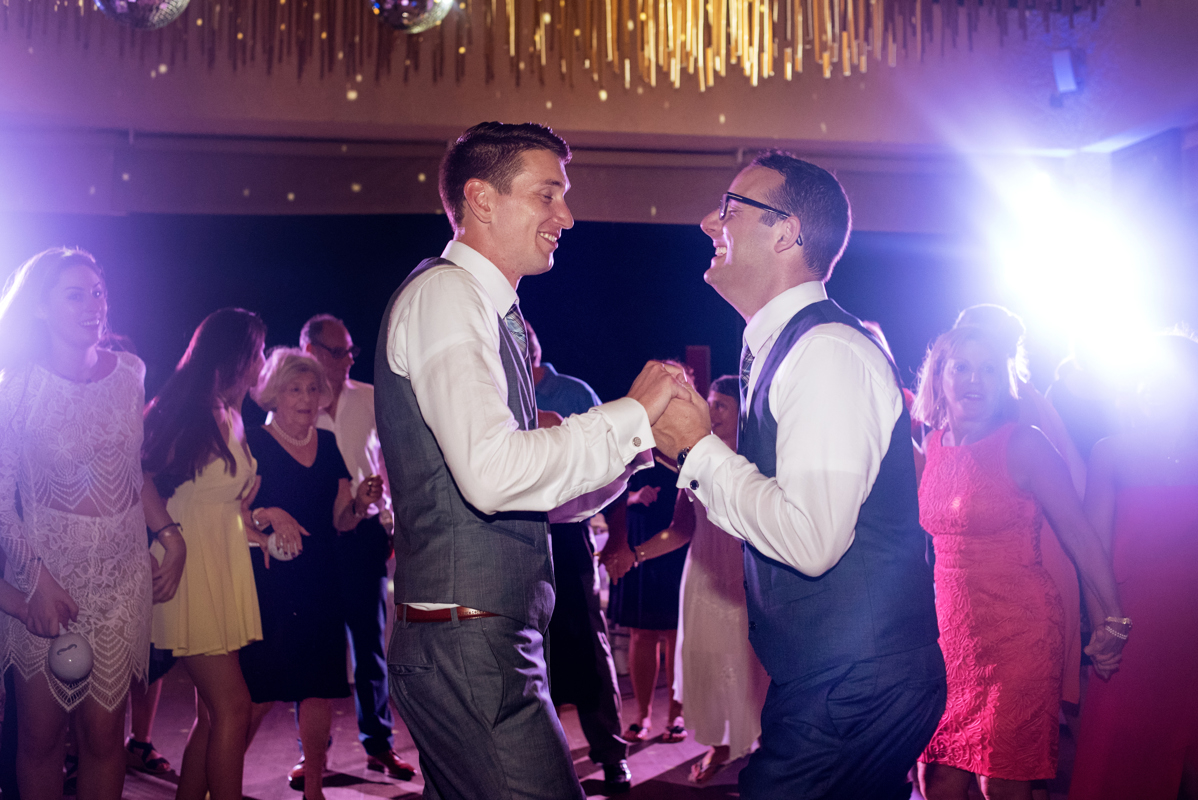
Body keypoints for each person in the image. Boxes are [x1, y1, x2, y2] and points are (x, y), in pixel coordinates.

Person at [374, 120, 688, 800]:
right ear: (482, 199)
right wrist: (629, 413)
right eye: (548, 195)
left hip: (478, 635)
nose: (566, 216)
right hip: (468, 643)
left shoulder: (487, 311)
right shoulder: (448, 297)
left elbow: (537, 496)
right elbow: (493, 476)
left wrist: (637, 450)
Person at [649, 151, 947, 800]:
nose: (708, 222)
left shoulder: (827, 353)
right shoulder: (783, 347)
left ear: (785, 233)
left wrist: (697, 451)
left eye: (730, 209)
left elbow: (812, 541)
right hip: (835, 673)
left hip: (856, 679)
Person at [910, 325, 1128, 800]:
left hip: (1020, 636)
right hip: (951, 641)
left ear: (1005, 378)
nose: (975, 379)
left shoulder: (1025, 444)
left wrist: (1114, 619)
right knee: (936, 780)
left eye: (989, 368)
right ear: (939, 376)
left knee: (1002, 783)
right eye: (962, 366)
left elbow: (1082, 538)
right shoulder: (932, 446)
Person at [0, 248, 183, 800]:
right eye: (75, 294)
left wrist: (171, 537)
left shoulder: (130, 373)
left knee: (106, 738)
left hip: (122, 575)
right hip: (46, 570)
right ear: (39, 307)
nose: (93, 305)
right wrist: (36, 581)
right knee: (41, 737)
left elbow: (133, 473)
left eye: (98, 292)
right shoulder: (14, 387)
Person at [142, 308, 304, 800]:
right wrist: (170, 539)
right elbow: (140, 478)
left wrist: (259, 524)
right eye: (257, 352)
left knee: (212, 714)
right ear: (233, 357)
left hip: (223, 565)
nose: (262, 362)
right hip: (191, 570)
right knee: (233, 706)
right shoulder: (191, 413)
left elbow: (224, 504)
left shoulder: (230, 414)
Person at [240, 348, 384, 799]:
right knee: (259, 693)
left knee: (318, 689)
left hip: (322, 580)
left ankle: (314, 791)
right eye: (293, 389)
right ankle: (219, 775)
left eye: (311, 389)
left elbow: (341, 519)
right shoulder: (254, 444)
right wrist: (271, 512)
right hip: (270, 583)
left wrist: (360, 503)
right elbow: (236, 512)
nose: (305, 398)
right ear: (273, 394)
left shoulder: (328, 448)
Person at [617, 375, 769, 783]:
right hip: (704, 575)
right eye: (711, 403)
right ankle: (721, 748)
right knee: (713, 666)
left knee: (753, 667)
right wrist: (636, 554)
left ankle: (766, 754)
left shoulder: (760, 462)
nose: (711, 411)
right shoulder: (698, 459)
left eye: (721, 404)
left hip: (748, 579)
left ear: (742, 411)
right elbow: (681, 530)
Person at [1068, 333, 1198, 800]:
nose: (1150, 388)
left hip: (1193, 638)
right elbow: (1092, 552)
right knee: (1115, 771)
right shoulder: (1112, 452)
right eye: (1144, 379)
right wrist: (1109, 630)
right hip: (1134, 638)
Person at [300, 314, 417, 783]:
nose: (348, 359)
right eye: (337, 351)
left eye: (350, 351)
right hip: (315, 540)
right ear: (309, 350)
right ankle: (313, 756)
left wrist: (393, 523)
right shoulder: (293, 404)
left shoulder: (370, 398)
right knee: (316, 648)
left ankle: (379, 743)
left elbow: (394, 463)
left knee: (370, 644)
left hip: (366, 533)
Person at [526, 321, 632, 793]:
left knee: (588, 647)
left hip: (567, 537)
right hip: (513, 537)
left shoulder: (573, 393)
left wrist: (620, 537)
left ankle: (610, 755)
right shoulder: (492, 396)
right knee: (527, 652)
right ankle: (537, 762)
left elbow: (615, 466)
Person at [602, 453, 687, 743]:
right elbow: (603, 494)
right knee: (641, 633)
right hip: (635, 538)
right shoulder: (629, 448)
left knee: (677, 634)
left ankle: (677, 714)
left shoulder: (681, 446)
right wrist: (633, 497)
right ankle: (643, 715)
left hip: (676, 543)